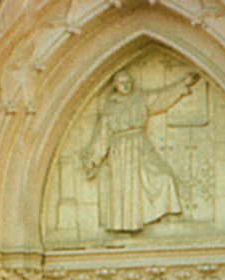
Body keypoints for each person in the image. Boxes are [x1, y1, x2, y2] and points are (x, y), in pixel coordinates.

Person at [83, 69, 200, 232]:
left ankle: (164, 214)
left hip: (140, 146)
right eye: (122, 83)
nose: (126, 85)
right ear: (115, 85)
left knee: (163, 176)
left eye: (128, 82)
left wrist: (182, 84)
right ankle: (124, 225)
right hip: (120, 151)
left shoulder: (141, 98)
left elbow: (161, 97)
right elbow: (103, 136)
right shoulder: (110, 107)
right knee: (124, 190)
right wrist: (93, 160)